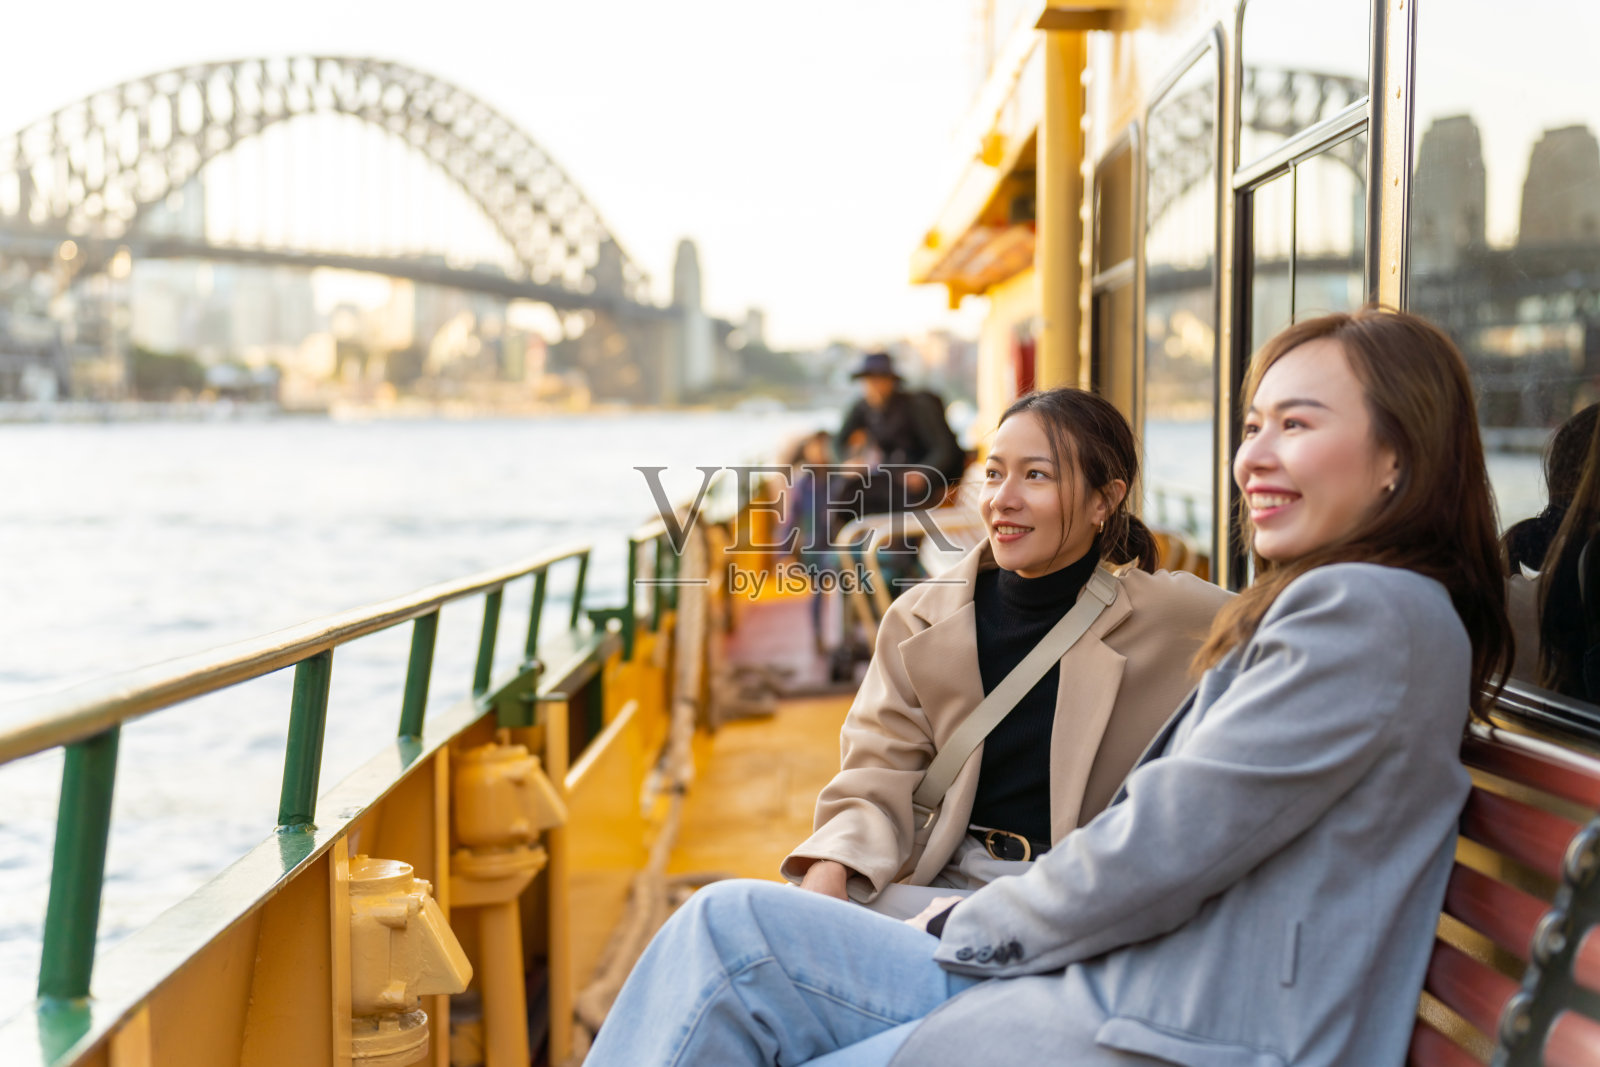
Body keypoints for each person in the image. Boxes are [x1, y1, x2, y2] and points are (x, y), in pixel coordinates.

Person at [585, 307, 1513, 1067]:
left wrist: (958, 919)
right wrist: (880, 885)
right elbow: (881, 773)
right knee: (729, 926)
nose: (1252, 458)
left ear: (1401, 453)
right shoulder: (1358, 609)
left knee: (731, 941)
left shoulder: (1354, 612)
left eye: (1297, 425)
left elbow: (1158, 844)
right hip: (1119, 979)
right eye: (1252, 426)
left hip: (1160, 1020)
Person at [780, 387, 1229, 915]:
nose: (1001, 499)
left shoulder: (1172, 614)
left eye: (1036, 475)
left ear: (1103, 500)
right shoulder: (920, 618)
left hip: (1083, 901)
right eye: (994, 474)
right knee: (743, 918)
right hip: (947, 886)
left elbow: (1304, 631)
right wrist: (832, 867)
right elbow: (877, 779)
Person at [837, 351, 966, 516]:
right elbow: (838, 441)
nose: (873, 386)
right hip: (891, 478)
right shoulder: (863, 407)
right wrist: (845, 463)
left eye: (879, 379)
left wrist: (924, 472)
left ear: (891, 381)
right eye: (868, 380)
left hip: (922, 482)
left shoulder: (917, 406)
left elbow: (945, 448)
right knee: (845, 497)